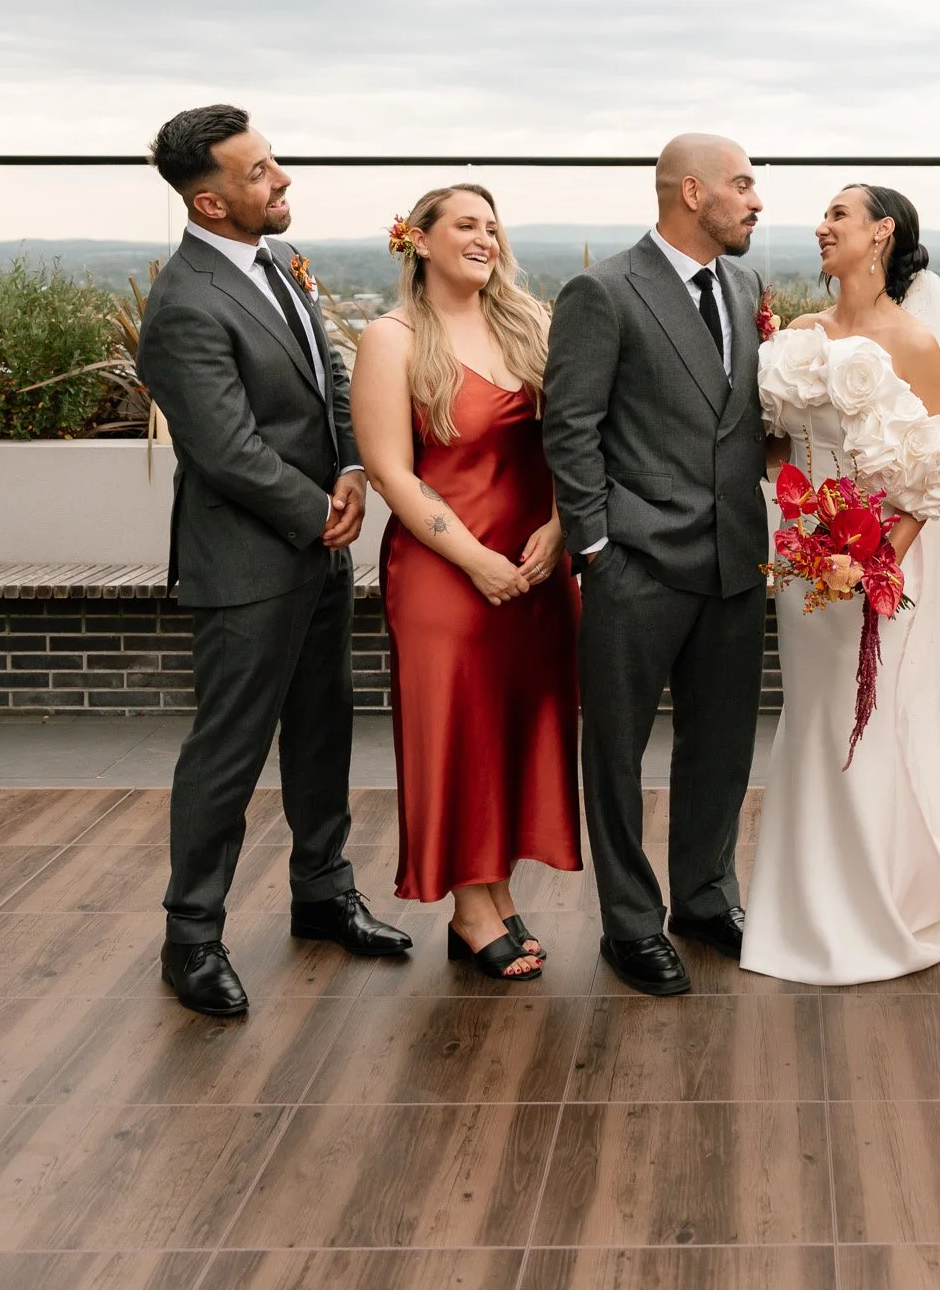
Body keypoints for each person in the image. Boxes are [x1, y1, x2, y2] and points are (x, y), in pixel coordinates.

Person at [136, 105, 411, 1019]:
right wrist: (319, 513)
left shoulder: (279, 263)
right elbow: (222, 447)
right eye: (259, 173)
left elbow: (329, 370)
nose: (282, 179)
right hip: (247, 564)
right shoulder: (182, 303)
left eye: (273, 163)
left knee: (323, 729)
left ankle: (324, 895)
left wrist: (347, 466)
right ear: (210, 205)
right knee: (229, 750)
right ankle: (192, 937)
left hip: (316, 550)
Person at [741, 184, 940, 986]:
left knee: (869, 716)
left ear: (881, 233)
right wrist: (799, 529)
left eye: (838, 216)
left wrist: (876, 554)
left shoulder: (915, 343)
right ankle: (801, 901)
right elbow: (777, 451)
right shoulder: (797, 339)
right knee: (810, 713)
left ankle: (874, 900)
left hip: (875, 566)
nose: (822, 227)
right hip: (800, 565)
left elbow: (938, 474)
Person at [541, 135, 769, 997]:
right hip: (635, 564)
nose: (755, 202)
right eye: (742, 185)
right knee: (617, 757)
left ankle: (706, 898)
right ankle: (630, 925)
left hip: (735, 563)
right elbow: (570, 427)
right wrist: (596, 547)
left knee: (721, 747)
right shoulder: (603, 292)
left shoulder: (744, 287)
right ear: (690, 191)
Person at [351, 185, 581, 980]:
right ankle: (470, 906)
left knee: (518, 727)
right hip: (444, 573)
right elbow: (391, 471)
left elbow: (571, 441)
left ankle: (498, 894)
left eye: (492, 226)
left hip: (539, 564)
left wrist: (558, 529)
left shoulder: (531, 324)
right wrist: (477, 560)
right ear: (418, 239)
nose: (485, 238)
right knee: (459, 731)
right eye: (465, 225)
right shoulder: (392, 338)